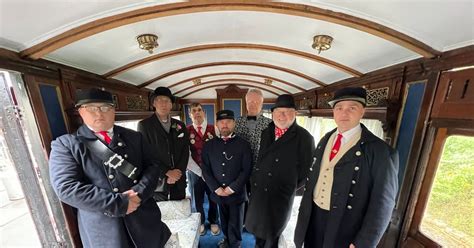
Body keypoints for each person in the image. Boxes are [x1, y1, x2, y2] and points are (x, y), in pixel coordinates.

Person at [49, 88, 170, 248]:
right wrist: (119, 203)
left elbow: (153, 167)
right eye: (91, 108)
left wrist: (139, 193)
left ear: (113, 110)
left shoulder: (134, 137)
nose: (99, 113)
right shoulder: (66, 144)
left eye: (105, 107)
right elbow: (66, 188)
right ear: (80, 111)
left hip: (144, 220)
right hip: (104, 232)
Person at [294, 87, 399, 248]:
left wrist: (363, 243)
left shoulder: (380, 152)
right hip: (313, 217)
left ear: (362, 111)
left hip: (345, 225)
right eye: (339, 108)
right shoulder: (325, 139)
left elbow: (382, 205)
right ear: (333, 112)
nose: (344, 113)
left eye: (352, 108)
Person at [245, 94, 315, 248]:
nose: (282, 116)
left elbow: (306, 174)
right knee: (258, 234)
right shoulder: (266, 132)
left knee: (272, 237)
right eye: (278, 112)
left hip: (280, 197)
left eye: (287, 111)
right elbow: (261, 160)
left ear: (294, 113)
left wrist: (286, 187)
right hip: (259, 194)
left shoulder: (305, 138)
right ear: (273, 113)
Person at [201, 110, 252, 248]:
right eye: (222, 122)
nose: (225, 125)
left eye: (228, 122)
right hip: (218, 193)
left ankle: (235, 244)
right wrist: (216, 189)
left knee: (235, 222)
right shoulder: (208, 145)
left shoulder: (244, 144)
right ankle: (227, 239)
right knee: (223, 220)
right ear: (217, 124)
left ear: (233, 124)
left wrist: (231, 188)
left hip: (237, 193)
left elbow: (246, 170)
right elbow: (205, 169)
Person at [137, 86, 189, 201]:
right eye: (160, 100)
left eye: (167, 101)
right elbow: (146, 155)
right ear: (154, 103)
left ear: (171, 105)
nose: (163, 104)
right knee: (160, 216)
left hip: (179, 181)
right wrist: (166, 173)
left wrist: (178, 173)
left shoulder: (180, 125)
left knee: (180, 215)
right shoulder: (145, 125)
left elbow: (185, 151)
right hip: (158, 183)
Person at [234, 89, 272, 223]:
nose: (253, 104)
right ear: (245, 103)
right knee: (241, 199)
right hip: (240, 171)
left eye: (256, 101)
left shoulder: (270, 125)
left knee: (258, 199)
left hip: (260, 171)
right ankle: (243, 221)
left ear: (262, 104)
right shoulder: (236, 123)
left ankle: (254, 222)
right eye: (250, 101)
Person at [186, 102, 220, 236]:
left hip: (212, 172)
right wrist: (201, 173)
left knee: (213, 197)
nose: (197, 113)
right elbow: (186, 156)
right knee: (197, 199)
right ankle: (200, 222)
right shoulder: (186, 131)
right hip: (194, 172)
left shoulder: (214, 129)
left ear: (204, 113)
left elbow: (219, 151)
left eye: (199, 110)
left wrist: (210, 171)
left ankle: (214, 221)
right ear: (190, 115)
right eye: (193, 111)